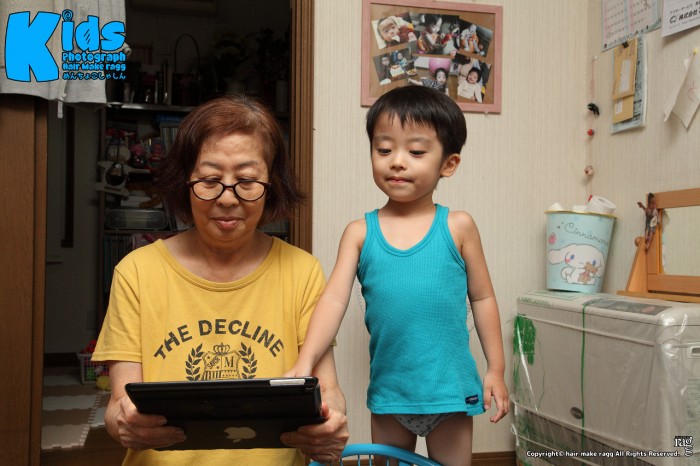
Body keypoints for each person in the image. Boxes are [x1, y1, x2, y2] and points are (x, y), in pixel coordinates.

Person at [91, 94, 349, 466]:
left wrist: (332, 420)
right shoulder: (136, 272)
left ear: (272, 183)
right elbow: (118, 407)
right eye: (210, 180)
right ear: (185, 181)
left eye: (247, 180)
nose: (227, 199)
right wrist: (124, 423)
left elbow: (329, 390)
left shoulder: (302, 271)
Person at [285, 86, 509, 466]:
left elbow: (483, 298)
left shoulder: (458, 227)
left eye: (416, 152)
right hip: (391, 393)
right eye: (384, 149)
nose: (397, 162)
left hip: (450, 390)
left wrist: (496, 370)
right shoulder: (359, 233)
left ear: (448, 164)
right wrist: (305, 363)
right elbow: (333, 301)